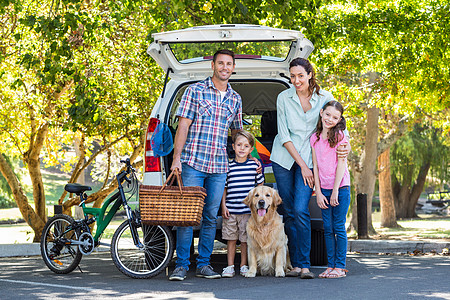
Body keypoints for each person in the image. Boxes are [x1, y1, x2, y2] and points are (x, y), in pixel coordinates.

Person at [270, 57, 350, 279]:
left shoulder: (324, 98)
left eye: (300, 76)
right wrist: (303, 165)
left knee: (300, 208)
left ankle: (305, 265)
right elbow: (284, 134)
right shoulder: (283, 98)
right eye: (292, 76)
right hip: (284, 158)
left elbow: (340, 122)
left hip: (311, 160)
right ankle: (296, 263)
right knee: (290, 212)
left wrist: (346, 148)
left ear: (310, 75)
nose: (296, 80)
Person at [168, 49, 243, 281]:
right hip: (193, 162)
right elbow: (183, 126)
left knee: (210, 216)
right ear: (213, 65)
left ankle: (203, 265)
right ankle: (181, 265)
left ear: (233, 67)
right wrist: (176, 158)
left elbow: (237, 134)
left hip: (219, 166)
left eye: (229, 64)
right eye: (220, 63)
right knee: (187, 215)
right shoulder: (195, 91)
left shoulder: (235, 98)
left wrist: (250, 159)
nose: (224, 67)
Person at [310, 100, 350, 278]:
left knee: (338, 227)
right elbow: (316, 167)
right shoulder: (315, 138)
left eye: (335, 117)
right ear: (321, 113)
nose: (330, 119)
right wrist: (318, 192)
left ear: (339, 119)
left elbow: (341, 164)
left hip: (340, 188)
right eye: (327, 114)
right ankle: (330, 266)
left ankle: (340, 267)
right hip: (323, 190)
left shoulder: (340, 136)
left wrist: (335, 191)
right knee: (328, 228)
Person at [220, 130, 264, 278]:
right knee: (231, 239)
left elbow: (260, 187)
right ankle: (229, 266)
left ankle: (244, 265)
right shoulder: (228, 166)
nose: (242, 148)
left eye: (246, 146)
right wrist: (223, 206)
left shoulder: (254, 166)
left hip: (247, 211)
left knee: (245, 240)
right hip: (231, 210)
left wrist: (257, 208)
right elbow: (224, 188)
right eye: (239, 145)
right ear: (233, 146)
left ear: (251, 149)